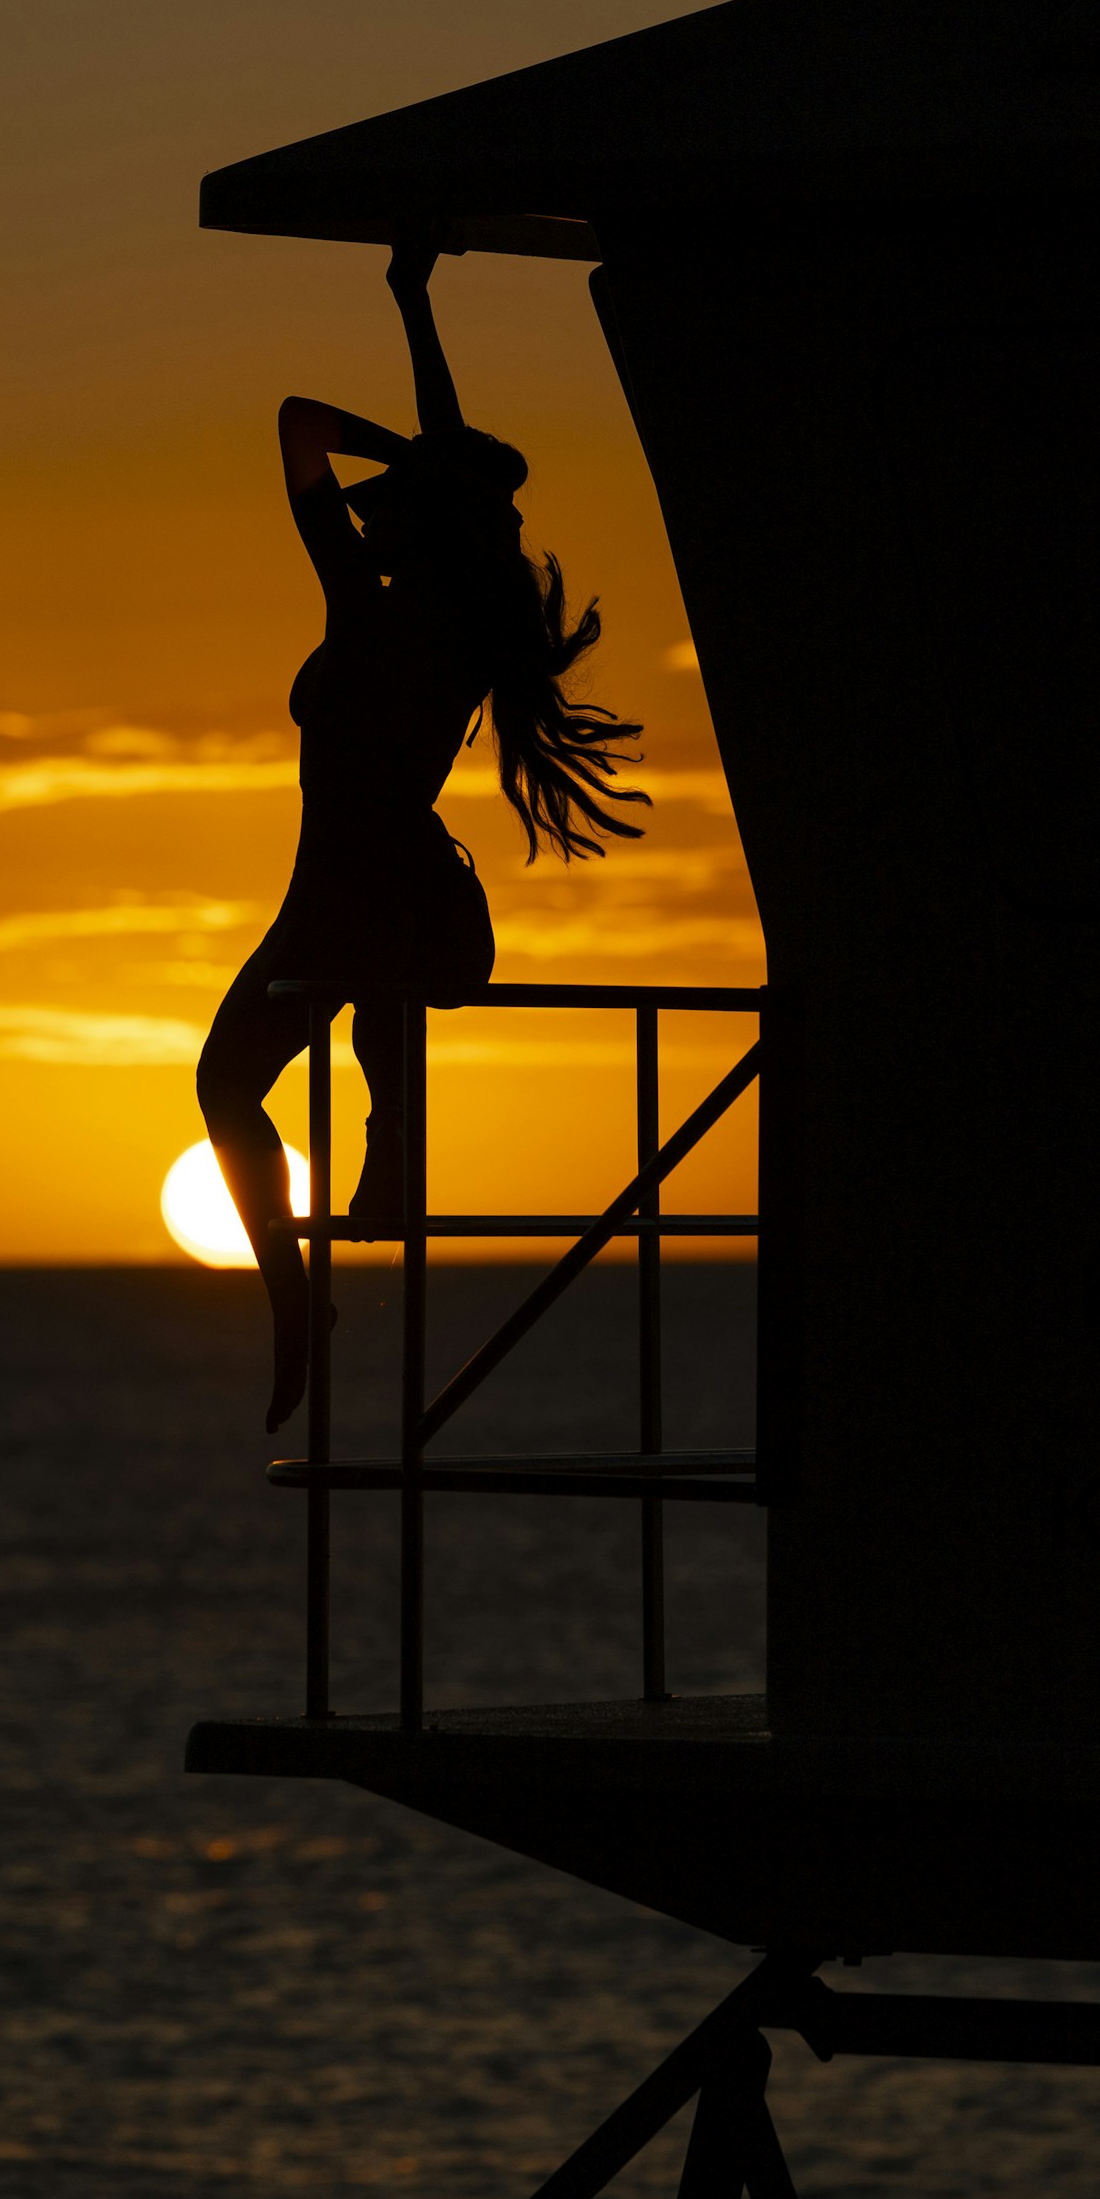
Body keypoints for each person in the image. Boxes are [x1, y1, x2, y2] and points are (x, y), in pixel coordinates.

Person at [196, 236, 648, 1432]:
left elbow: (297, 425)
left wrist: (416, 456)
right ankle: (371, 1188)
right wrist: (415, 306)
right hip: (394, 899)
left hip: (351, 899)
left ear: (420, 526)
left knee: (224, 1087)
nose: (367, 515)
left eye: (388, 509)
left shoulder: (364, 603)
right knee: (302, 1072)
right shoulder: (462, 624)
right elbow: (426, 475)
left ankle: (302, 1298)